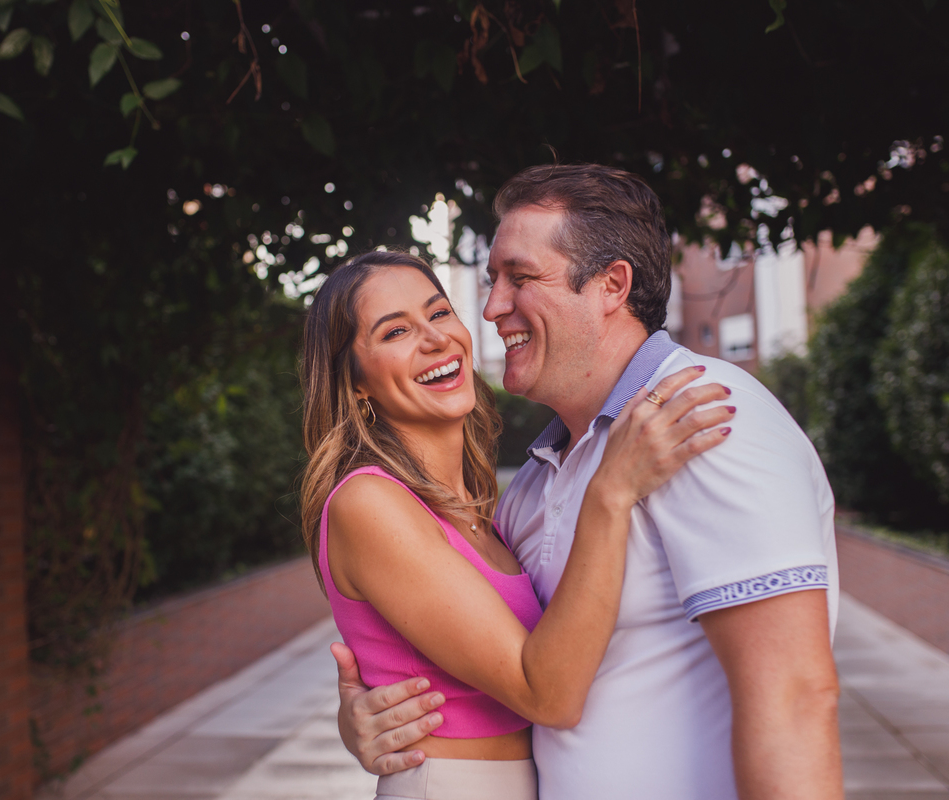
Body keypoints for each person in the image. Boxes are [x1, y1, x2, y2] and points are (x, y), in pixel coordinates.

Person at [333, 165, 843, 800]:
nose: (491, 308)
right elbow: (502, 662)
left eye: (520, 277)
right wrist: (373, 715)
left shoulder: (700, 419)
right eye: (492, 281)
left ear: (611, 285)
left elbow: (795, 698)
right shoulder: (533, 483)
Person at [300, 248, 734, 800]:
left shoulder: (482, 510)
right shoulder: (368, 502)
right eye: (395, 332)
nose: (435, 339)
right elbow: (546, 694)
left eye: (439, 313)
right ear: (356, 381)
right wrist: (610, 492)